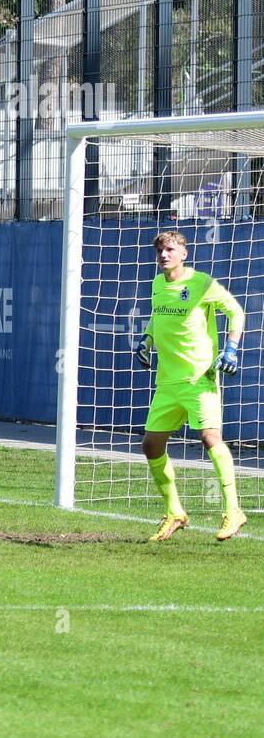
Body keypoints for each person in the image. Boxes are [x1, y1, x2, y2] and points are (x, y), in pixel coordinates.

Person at [136, 230, 247, 542]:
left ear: (183, 253)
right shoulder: (158, 284)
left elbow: (235, 311)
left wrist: (232, 348)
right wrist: (147, 338)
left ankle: (234, 511)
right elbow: (157, 317)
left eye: (170, 249)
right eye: (159, 250)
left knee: (210, 438)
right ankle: (175, 512)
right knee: (151, 445)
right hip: (168, 382)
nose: (163, 255)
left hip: (200, 378)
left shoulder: (201, 283)